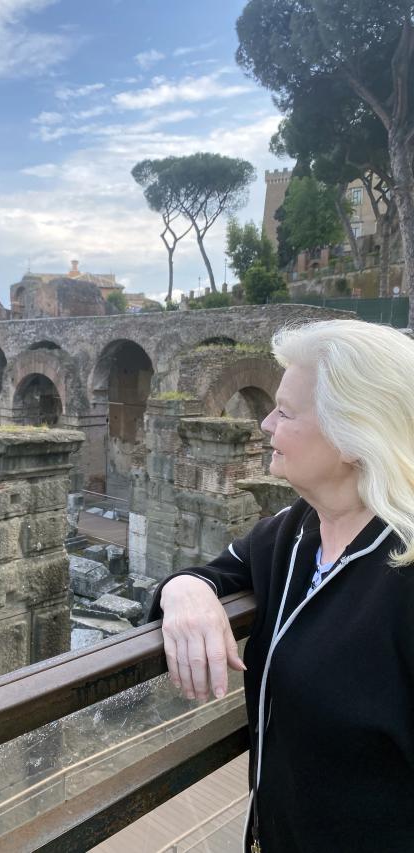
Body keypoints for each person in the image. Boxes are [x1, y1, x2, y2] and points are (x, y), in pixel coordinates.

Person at [149, 319, 414, 853]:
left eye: (286, 411)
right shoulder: (293, 531)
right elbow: (215, 572)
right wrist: (184, 591)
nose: (266, 423)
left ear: (352, 434)